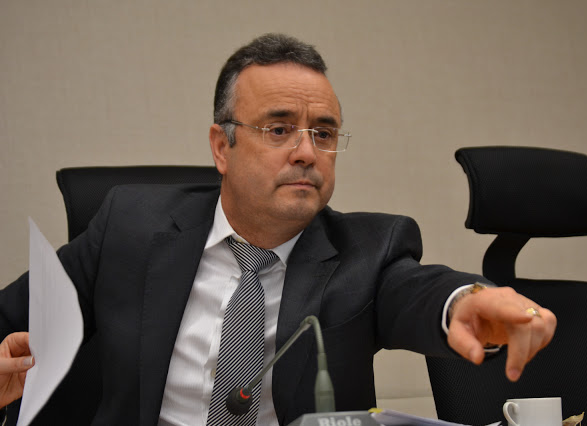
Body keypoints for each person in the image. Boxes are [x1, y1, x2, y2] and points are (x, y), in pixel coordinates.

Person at [0, 33, 556, 425]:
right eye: (279, 129)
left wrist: (464, 302)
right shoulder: (129, 225)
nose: (306, 152)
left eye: (324, 133)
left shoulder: (369, 252)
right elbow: (10, 319)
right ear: (222, 147)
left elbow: (417, 292)